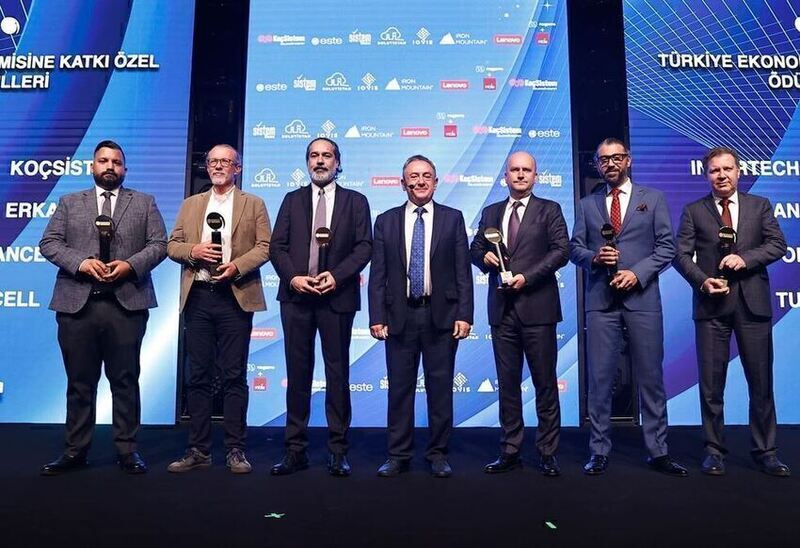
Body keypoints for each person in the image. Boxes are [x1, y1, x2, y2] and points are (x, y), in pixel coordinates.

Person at [39, 140, 167, 475]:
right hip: (77, 306)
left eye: (116, 162)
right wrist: (80, 262)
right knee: (80, 382)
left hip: (126, 305)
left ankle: (128, 450)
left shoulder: (144, 202)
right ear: (92, 166)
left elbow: (159, 245)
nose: (110, 166)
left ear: (125, 169)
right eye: (103, 161)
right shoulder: (70, 202)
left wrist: (130, 265)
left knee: (125, 381)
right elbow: (49, 243)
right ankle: (75, 451)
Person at [569, 138, 687, 476]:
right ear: (597, 164)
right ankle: (598, 451)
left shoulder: (654, 199)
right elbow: (574, 248)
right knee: (600, 379)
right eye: (603, 159)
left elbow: (667, 248)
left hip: (642, 299)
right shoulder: (587, 205)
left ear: (628, 160)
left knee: (651, 378)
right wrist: (594, 257)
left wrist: (637, 274)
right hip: (601, 302)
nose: (610, 164)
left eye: (616, 158)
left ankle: (658, 451)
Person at [673, 146, 790, 477]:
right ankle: (713, 450)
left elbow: (777, 244)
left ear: (739, 172)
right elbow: (680, 255)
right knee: (711, 386)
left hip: (753, 306)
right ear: (706, 175)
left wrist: (745, 259)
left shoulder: (759, 205)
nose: (721, 175)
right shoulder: (694, 211)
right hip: (712, 306)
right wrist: (703, 281)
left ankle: (766, 451)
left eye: (727, 169)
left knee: (761, 383)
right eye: (715, 170)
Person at [269, 138, 372, 477]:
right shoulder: (292, 200)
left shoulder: (356, 201)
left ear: (338, 163)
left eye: (327, 155)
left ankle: (338, 451)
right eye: (314, 155)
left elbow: (364, 247)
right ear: (307, 162)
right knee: (297, 375)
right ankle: (294, 450)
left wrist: (337, 276)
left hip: (336, 299)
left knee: (337, 374)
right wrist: (293, 278)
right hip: (297, 298)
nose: (320, 161)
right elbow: (277, 247)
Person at [166, 144, 271, 474]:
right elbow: (171, 245)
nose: (218, 166)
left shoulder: (253, 203)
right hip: (199, 296)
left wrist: (237, 266)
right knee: (197, 375)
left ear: (237, 168)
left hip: (234, 296)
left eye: (225, 161)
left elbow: (265, 247)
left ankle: (235, 449)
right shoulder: (191, 204)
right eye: (213, 161)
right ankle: (198, 449)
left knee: (233, 375)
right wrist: (193, 251)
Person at [369, 154, 473, 478]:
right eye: (413, 176)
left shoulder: (452, 219)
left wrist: (465, 314)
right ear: (403, 184)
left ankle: (438, 454)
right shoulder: (385, 221)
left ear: (436, 182)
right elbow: (378, 274)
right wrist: (376, 316)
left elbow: (463, 272)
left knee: (440, 389)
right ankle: (398, 454)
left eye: (426, 175)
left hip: (441, 316)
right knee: (399, 390)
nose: (420, 181)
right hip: (399, 316)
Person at [470, 151, 569, 476]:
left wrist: (527, 277)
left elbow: (561, 251)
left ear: (535, 176)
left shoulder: (549, 210)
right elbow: (475, 248)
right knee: (508, 385)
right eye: (515, 170)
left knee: (545, 385)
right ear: (506, 176)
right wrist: (484, 258)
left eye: (527, 170)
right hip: (502, 311)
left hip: (538, 309)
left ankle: (548, 453)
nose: (521, 174)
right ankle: (510, 451)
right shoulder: (491, 212)